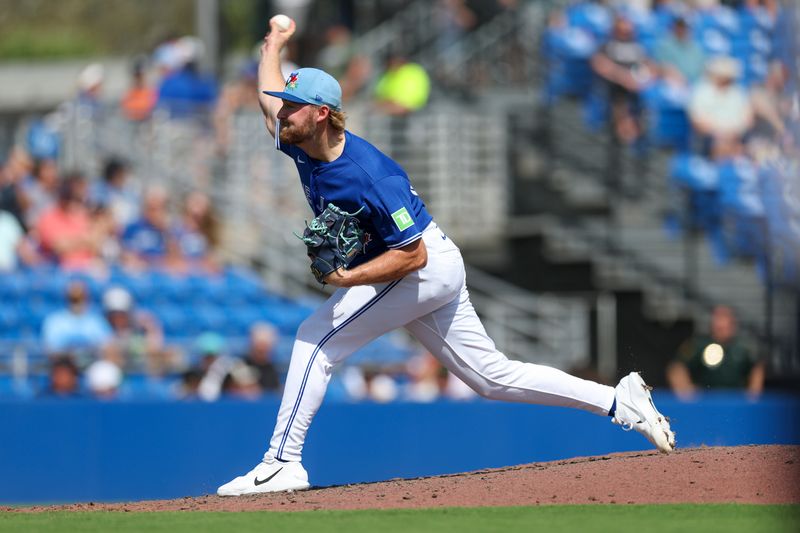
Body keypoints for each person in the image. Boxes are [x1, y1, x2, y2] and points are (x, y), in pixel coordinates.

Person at [216, 16, 675, 497]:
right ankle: (618, 401)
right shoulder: (302, 142)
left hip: (421, 265)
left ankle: (282, 462)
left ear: (322, 114)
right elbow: (269, 99)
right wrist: (274, 44)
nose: (283, 112)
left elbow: (411, 256)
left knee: (315, 338)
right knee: (490, 377)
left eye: (295, 107)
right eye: (287, 105)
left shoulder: (369, 175)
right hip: (420, 265)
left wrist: (348, 277)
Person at [667, 305, 764, 399]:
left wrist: (752, 394)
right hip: (705, 401)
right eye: (718, 319)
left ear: (733, 324)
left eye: (725, 319)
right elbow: (677, 368)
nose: (721, 324)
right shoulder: (699, 345)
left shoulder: (743, 347)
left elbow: (757, 368)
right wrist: (687, 391)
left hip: (735, 400)